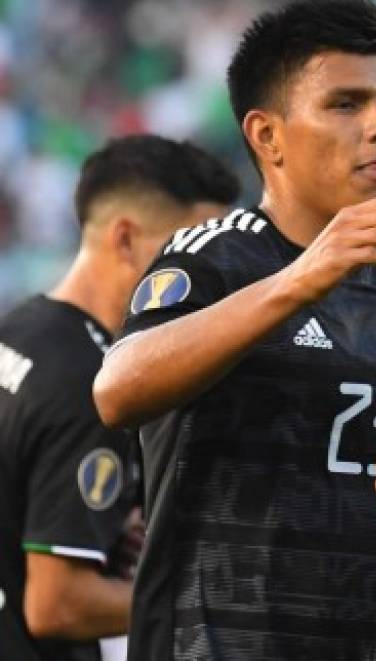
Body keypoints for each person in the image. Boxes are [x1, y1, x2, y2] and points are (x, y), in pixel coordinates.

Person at [91, 0, 376, 661]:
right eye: (346, 104)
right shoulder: (213, 257)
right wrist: (305, 276)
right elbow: (118, 389)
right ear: (267, 135)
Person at [0, 135, 239, 661]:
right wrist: (211, 605)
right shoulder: (96, 382)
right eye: (191, 252)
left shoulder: (20, 330)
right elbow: (56, 602)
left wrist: (105, 529)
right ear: (126, 238)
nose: (213, 280)